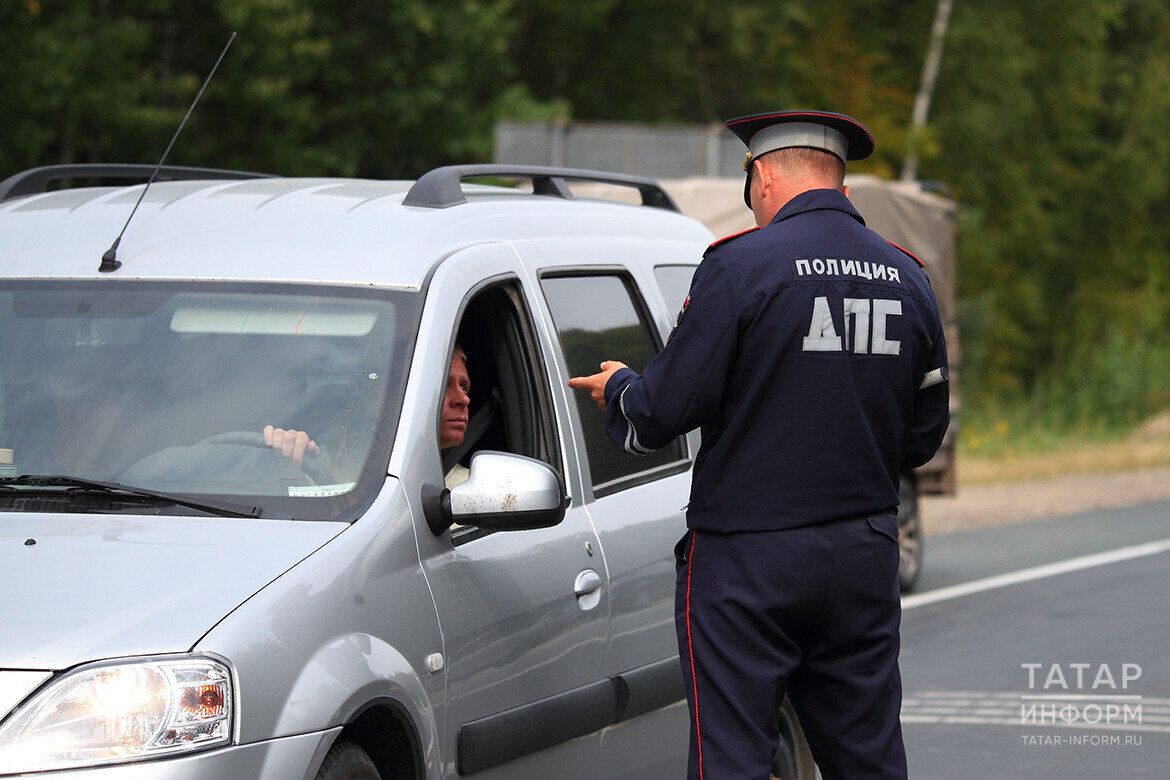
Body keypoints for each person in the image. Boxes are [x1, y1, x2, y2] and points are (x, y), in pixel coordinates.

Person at [568, 110, 949, 779]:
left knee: (734, 757)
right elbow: (923, 436)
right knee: (868, 758)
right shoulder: (908, 276)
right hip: (862, 552)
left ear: (764, 177)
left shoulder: (740, 265)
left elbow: (659, 413)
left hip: (748, 559)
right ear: (840, 187)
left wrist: (621, 387)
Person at [264, 345, 472, 488]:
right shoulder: (320, 461)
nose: (463, 399)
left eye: (464, 386)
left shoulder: (469, 488)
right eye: (444, 385)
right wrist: (286, 455)